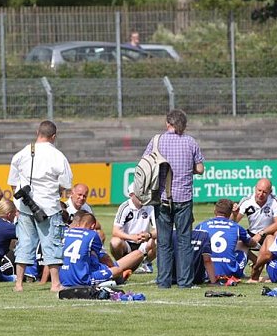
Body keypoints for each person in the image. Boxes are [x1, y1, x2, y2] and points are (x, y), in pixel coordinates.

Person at [8, 120, 73, 293]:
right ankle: (55, 284)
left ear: (38, 132)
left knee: (24, 243)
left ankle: (19, 284)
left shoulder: (22, 153)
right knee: (51, 243)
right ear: (54, 136)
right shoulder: (58, 156)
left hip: (25, 206)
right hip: (49, 207)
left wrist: (19, 204)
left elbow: (13, 184)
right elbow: (66, 182)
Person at [145, 109, 205, 289]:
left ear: (167, 123)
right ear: (184, 125)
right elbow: (200, 169)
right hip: (184, 198)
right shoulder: (190, 142)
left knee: (163, 242)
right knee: (184, 241)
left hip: (162, 197)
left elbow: (146, 164)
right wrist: (188, 169)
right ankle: (185, 282)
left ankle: (163, 281)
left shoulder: (157, 140)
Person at [59, 211, 147, 288]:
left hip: (63, 277)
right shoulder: (91, 234)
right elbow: (105, 258)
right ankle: (117, 279)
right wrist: (114, 269)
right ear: (93, 226)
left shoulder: (65, 233)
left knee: (137, 254)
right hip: (83, 278)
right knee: (118, 270)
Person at [232, 178, 277, 277]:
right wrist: (234, 214)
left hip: (269, 233)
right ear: (255, 188)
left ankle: (276, 271)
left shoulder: (276, 201)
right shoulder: (246, 201)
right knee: (234, 239)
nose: (261, 194)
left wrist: (261, 233)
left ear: (270, 192)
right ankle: (248, 265)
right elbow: (232, 223)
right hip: (252, 233)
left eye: (264, 192)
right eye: (259, 190)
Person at [195, 198, 257, 281]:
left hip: (206, 273)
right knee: (242, 244)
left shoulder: (202, 225)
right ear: (230, 213)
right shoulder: (236, 227)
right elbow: (252, 243)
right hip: (230, 272)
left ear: (215, 211)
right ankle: (254, 266)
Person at [110, 193, 157, 274]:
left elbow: (158, 230)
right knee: (115, 242)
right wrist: (132, 237)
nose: (141, 198)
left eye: (143, 194)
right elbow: (115, 231)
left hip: (143, 242)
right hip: (127, 243)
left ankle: (146, 263)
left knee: (159, 240)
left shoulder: (150, 206)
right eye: (139, 195)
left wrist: (148, 235)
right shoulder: (125, 207)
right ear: (131, 195)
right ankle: (122, 264)